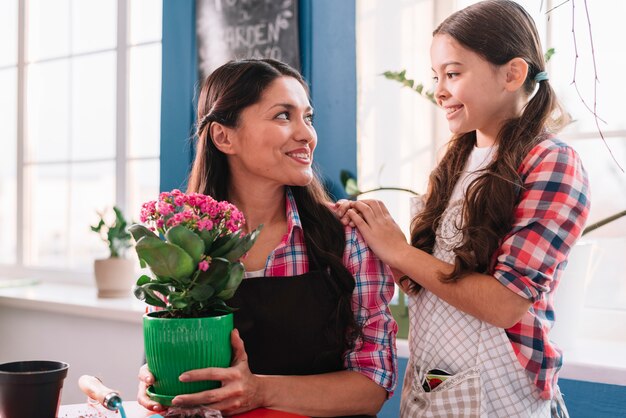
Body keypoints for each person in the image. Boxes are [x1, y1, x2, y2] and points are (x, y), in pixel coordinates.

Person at [333, 1, 590, 416]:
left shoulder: (552, 162)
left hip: (503, 397)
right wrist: (376, 237)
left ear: (513, 73)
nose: (438, 90)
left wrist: (400, 251)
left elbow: (505, 304)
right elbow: (430, 283)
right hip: (432, 386)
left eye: (453, 74)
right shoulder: (455, 162)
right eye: (437, 76)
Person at [137, 58, 398, 417]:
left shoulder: (348, 237)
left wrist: (259, 391)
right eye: (282, 116)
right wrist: (162, 381)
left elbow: (372, 384)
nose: (307, 134)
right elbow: (171, 371)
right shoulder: (179, 246)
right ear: (223, 137)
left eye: (308, 117)